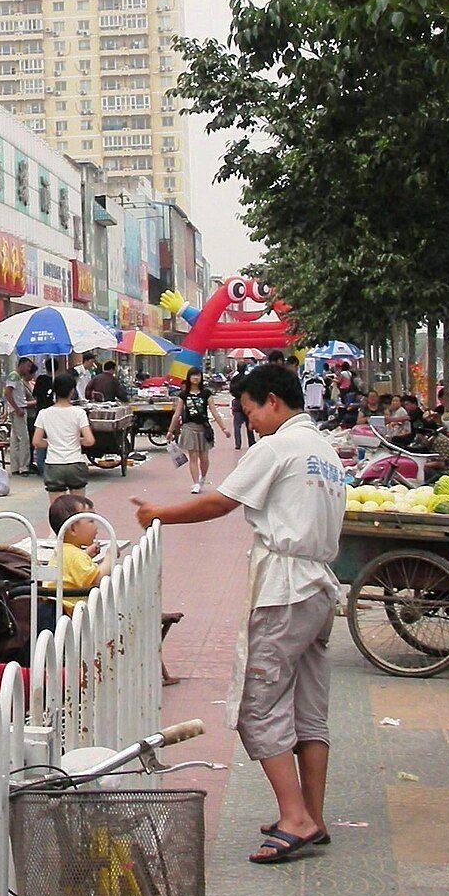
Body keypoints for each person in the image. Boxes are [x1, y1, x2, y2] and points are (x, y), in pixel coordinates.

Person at [132, 362, 347, 866]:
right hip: (317, 589)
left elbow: (220, 503)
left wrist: (157, 514)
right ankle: (312, 815)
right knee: (308, 708)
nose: (249, 422)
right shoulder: (323, 450)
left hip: (286, 590)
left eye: (249, 411)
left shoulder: (276, 447)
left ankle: (295, 818)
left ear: (271, 400)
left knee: (260, 702)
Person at [48, 491, 112, 612]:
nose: (96, 526)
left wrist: (86, 554)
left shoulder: (65, 550)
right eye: (91, 521)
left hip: (56, 607)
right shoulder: (74, 555)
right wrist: (110, 557)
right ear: (72, 528)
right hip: (70, 612)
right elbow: (96, 579)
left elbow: (71, 570)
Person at [33, 371, 94, 494]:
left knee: (57, 509)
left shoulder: (44, 413)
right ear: (72, 391)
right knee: (78, 508)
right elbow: (89, 441)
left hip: (53, 464)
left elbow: (36, 442)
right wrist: (77, 440)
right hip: (75, 463)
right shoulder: (79, 413)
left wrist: (51, 442)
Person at [169, 366, 216, 494]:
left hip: (203, 428)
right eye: (193, 375)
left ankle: (203, 477)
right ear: (189, 378)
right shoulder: (183, 395)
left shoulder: (206, 393)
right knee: (193, 456)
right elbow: (177, 414)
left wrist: (224, 428)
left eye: (198, 375)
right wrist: (170, 431)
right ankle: (195, 483)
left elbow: (214, 411)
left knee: (204, 457)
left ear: (201, 377)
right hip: (189, 427)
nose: (196, 378)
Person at [3, 359, 38, 475]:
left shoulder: (17, 377)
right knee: (24, 439)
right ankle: (23, 466)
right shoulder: (14, 376)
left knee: (15, 440)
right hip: (18, 411)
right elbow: (7, 393)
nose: (29, 369)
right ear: (21, 365)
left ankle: (15, 466)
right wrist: (17, 408)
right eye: (28, 366)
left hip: (17, 410)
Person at [29, 358, 57, 474]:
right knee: (50, 438)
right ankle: (49, 465)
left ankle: (41, 466)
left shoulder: (40, 379)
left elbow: (35, 395)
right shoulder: (57, 381)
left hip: (40, 412)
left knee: (40, 438)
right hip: (53, 414)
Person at [228, 363, 253, 450]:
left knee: (237, 425)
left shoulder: (234, 379)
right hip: (247, 402)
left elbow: (231, 390)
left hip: (237, 402)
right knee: (249, 423)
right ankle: (251, 441)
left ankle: (238, 443)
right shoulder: (248, 379)